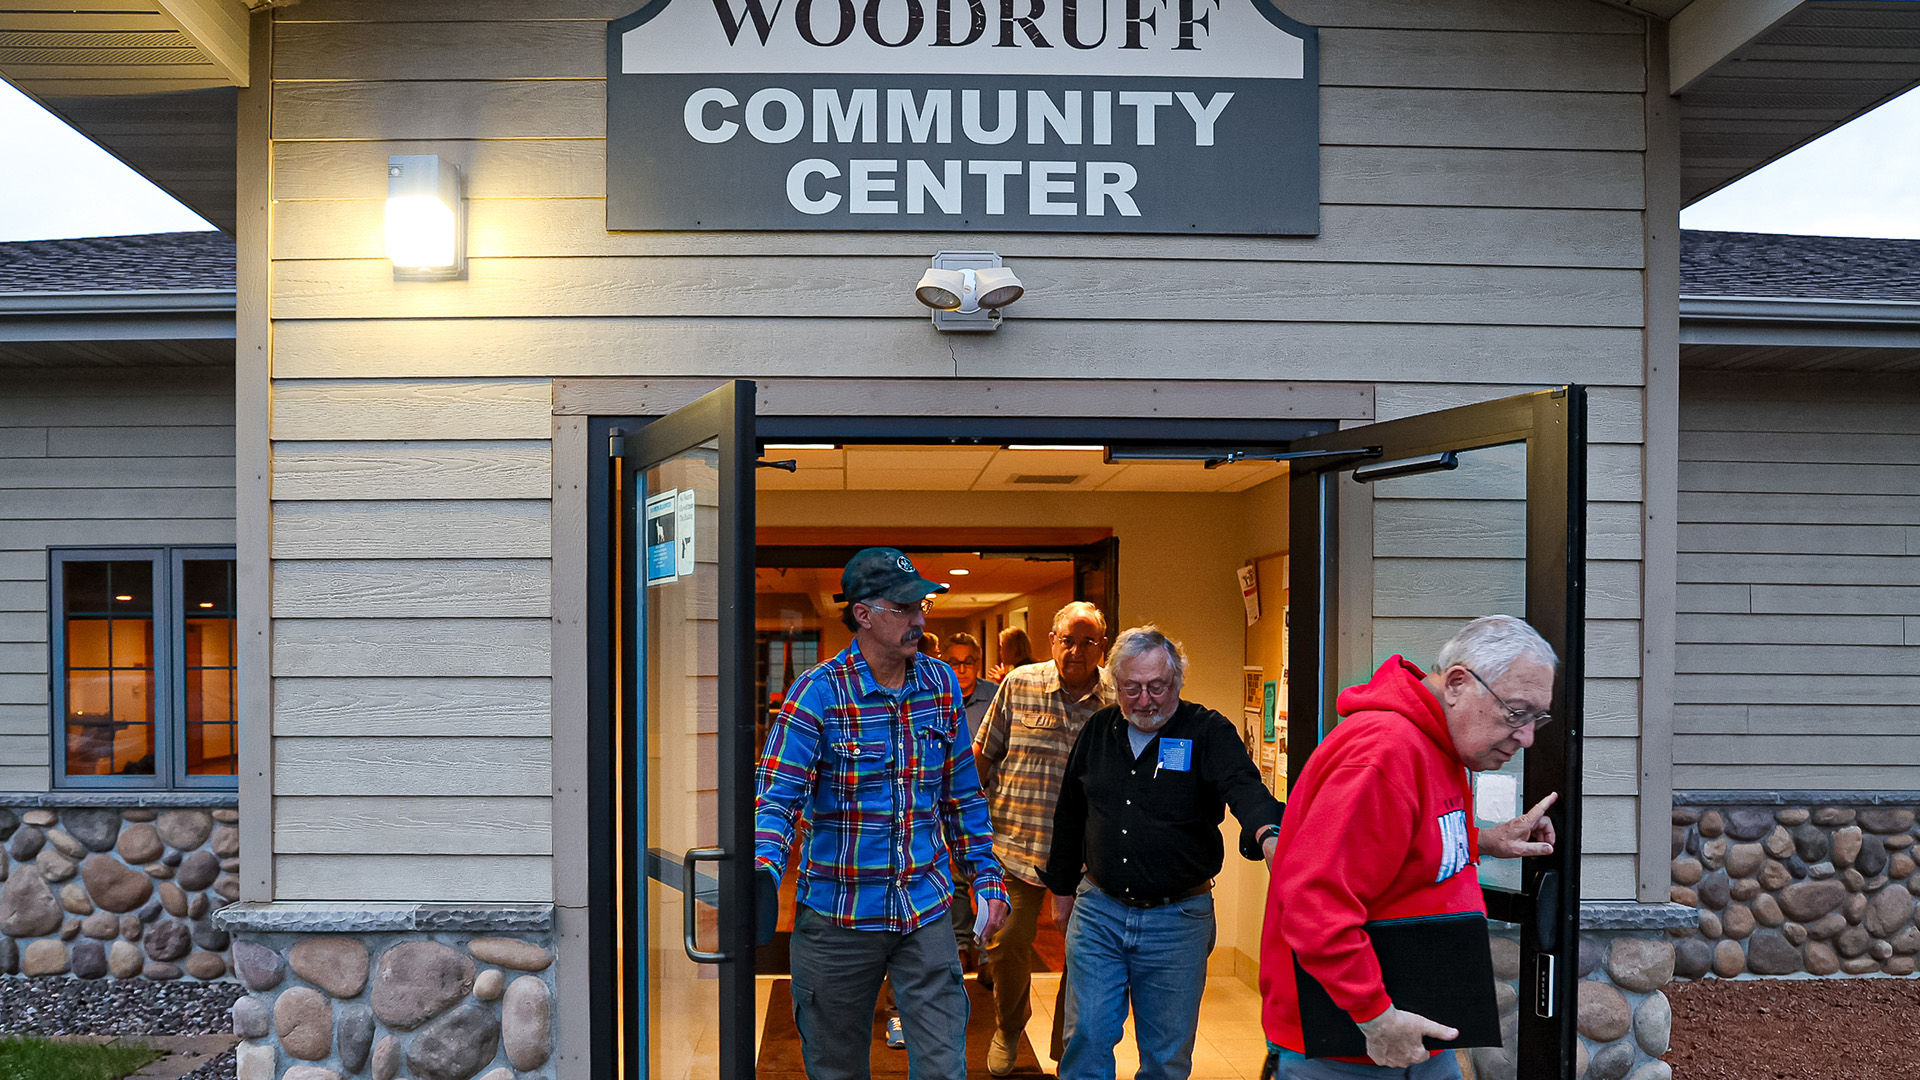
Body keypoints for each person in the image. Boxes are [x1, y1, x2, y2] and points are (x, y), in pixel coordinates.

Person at [1258, 614, 1560, 1080]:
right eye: (1516, 712)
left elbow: (1397, 848)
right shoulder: (1385, 751)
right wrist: (1376, 1017)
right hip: (1352, 1052)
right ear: (1458, 683)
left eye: (1536, 718)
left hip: (1406, 1039)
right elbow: (1313, 900)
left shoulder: (1438, 743)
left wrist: (1487, 843)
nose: (1527, 736)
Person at [754, 547, 1011, 1080]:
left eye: (922, 606)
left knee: (943, 1067)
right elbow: (777, 798)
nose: (920, 618)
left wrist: (988, 879)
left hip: (925, 909)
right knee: (837, 1067)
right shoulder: (817, 693)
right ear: (865, 614)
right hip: (839, 917)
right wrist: (763, 869)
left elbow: (962, 795)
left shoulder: (939, 685)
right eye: (905, 607)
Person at [1043, 626, 1286, 1080]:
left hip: (1178, 921)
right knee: (1086, 1040)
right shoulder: (1099, 730)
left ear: (1177, 682)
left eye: (1157, 686)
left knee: (1165, 1057)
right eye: (1131, 688)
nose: (1145, 700)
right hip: (1100, 911)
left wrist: (1269, 832)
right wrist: (1061, 889)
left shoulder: (1206, 731)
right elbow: (1071, 813)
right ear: (1115, 685)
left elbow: (1244, 787)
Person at [973, 600, 1114, 1075]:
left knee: (1084, 955)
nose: (1075, 650)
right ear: (1051, 640)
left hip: (1087, 859)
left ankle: (1065, 1048)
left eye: (1087, 641)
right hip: (1015, 846)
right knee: (1008, 941)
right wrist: (965, 827)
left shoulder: (1118, 698)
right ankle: (1010, 1026)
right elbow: (983, 755)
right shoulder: (1020, 683)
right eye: (1066, 640)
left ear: (1103, 645)